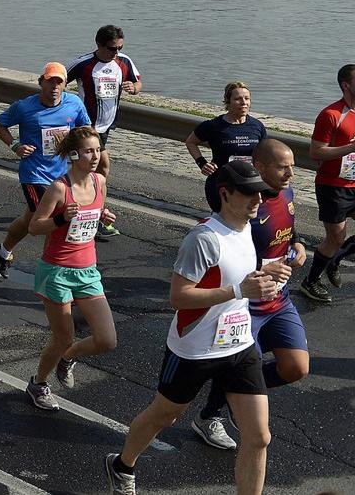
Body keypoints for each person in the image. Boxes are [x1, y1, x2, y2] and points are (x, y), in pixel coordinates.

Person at [105, 161, 289, 495]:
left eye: (260, 193)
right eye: (248, 193)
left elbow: (238, 270)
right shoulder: (202, 238)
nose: (258, 201)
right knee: (165, 416)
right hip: (195, 349)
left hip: (239, 345)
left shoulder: (247, 228)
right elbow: (179, 297)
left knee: (259, 437)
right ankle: (122, 464)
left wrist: (268, 270)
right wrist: (238, 291)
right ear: (225, 193)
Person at [193, 138, 312, 451]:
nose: (290, 174)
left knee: (296, 367)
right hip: (244, 304)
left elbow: (288, 229)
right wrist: (261, 269)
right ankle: (210, 415)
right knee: (242, 370)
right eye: (282, 167)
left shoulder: (287, 192)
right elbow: (228, 250)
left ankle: (239, 394)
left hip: (278, 300)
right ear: (259, 167)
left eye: (292, 167)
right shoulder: (245, 204)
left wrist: (298, 245)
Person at [23, 126, 118, 411]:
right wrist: (61, 218)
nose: (95, 156)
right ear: (75, 154)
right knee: (63, 336)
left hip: (88, 271)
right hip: (57, 271)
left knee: (107, 339)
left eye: (98, 150)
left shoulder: (100, 182)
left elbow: (93, 214)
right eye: (89, 151)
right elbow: (34, 226)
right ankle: (38, 383)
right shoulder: (59, 188)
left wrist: (102, 215)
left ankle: (67, 359)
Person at [0, 62, 92, 280]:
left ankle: (2, 251)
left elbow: (85, 131)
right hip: (33, 174)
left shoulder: (73, 104)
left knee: (31, 218)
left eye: (59, 82)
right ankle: (53, 271)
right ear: (41, 82)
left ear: (64, 85)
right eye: (50, 81)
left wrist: (80, 154)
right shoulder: (25, 107)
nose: (54, 86)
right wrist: (15, 146)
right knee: (55, 221)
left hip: (60, 174)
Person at [299, 62, 355, 304]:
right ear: (346, 85)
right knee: (335, 238)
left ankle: (335, 260)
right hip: (333, 186)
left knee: (339, 242)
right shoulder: (331, 114)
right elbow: (316, 152)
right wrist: (351, 147)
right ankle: (309, 282)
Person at [66, 24, 142, 194]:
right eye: (112, 48)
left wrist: (134, 88)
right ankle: (91, 205)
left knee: (86, 169)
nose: (116, 52)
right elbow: (58, 81)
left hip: (106, 126)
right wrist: (67, 107)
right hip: (86, 126)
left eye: (120, 48)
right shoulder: (83, 63)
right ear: (99, 44)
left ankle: (83, 201)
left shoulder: (124, 61)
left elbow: (138, 82)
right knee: (103, 166)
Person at [186, 82, 268, 212]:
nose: (243, 102)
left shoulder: (257, 126)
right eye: (237, 99)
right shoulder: (214, 126)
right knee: (224, 224)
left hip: (249, 185)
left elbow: (265, 153)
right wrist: (202, 163)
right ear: (227, 101)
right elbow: (191, 142)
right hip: (222, 185)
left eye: (247, 98)